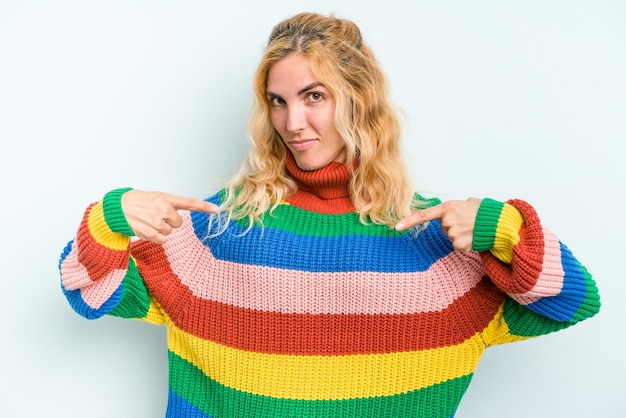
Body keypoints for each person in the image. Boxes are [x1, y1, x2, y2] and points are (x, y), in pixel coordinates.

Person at [58, 11, 600, 418]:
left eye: (314, 96)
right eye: (277, 101)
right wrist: (110, 218)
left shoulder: (435, 241)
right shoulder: (214, 232)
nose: (293, 122)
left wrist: (504, 230)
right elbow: (87, 291)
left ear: (359, 99)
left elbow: (573, 301)